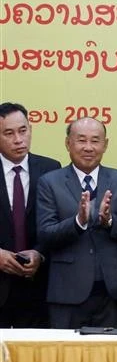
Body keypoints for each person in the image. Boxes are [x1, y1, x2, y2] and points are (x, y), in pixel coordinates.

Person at [37, 117, 117, 329]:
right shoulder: (50, 182)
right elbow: (45, 234)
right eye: (81, 140)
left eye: (95, 141)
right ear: (68, 143)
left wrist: (110, 221)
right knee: (66, 360)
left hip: (112, 292)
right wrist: (78, 222)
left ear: (105, 144)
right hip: (67, 292)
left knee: (112, 360)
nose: (88, 147)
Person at [0, 102, 61, 328]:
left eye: (23, 130)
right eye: (9, 133)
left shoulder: (51, 169)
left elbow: (57, 224)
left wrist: (40, 254)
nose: (18, 139)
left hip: (39, 288)